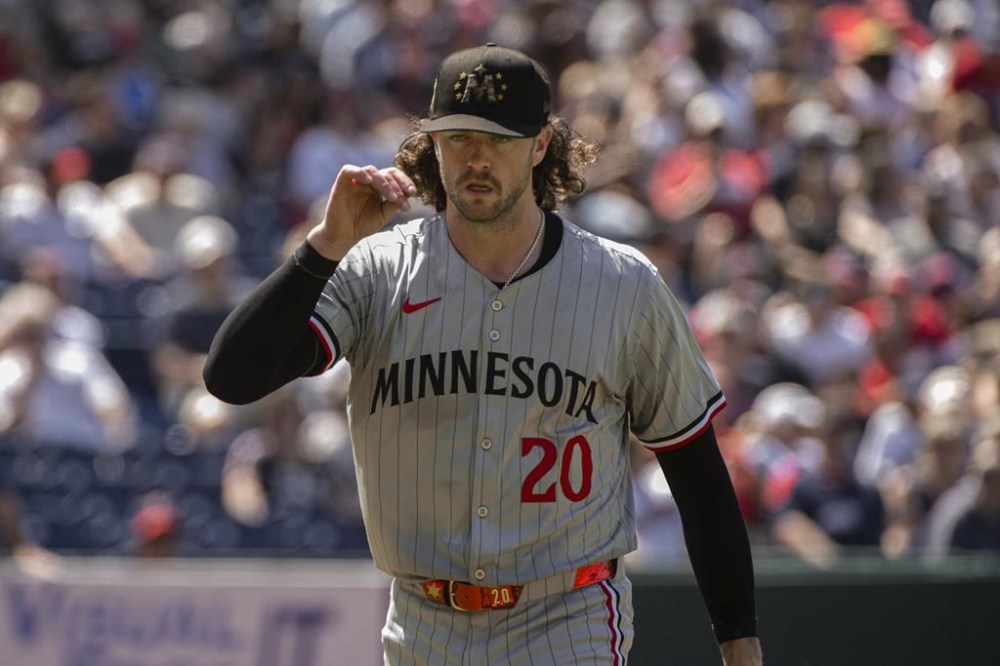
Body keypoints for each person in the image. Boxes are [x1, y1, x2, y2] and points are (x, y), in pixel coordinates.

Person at [205, 44, 761, 665]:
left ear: (541, 144)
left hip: (566, 614)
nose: (475, 159)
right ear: (431, 145)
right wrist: (324, 248)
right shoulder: (379, 270)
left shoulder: (623, 285)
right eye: (457, 137)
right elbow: (232, 376)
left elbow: (696, 470)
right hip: (423, 622)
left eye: (497, 140)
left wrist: (738, 641)